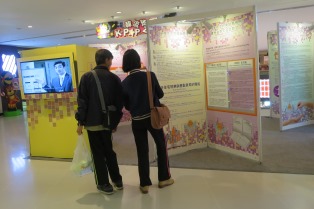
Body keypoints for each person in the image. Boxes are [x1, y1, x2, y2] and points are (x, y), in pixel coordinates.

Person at [121, 49, 174, 194]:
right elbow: (160, 94)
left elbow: (126, 105)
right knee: (161, 145)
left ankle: (144, 184)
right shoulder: (150, 76)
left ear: (125, 64)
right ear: (139, 61)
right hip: (153, 118)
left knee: (142, 151)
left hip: (137, 120)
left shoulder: (124, 83)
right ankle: (164, 178)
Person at [75, 49, 123, 195]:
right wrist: (114, 123)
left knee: (98, 153)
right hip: (107, 123)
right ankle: (117, 181)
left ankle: (104, 184)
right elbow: (119, 103)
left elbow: (82, 102)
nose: (111, 62)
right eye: (111, 59)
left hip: (92, 123)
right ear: (107, 60)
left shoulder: (87, 77)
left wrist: (80, 122)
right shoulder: (114, 78)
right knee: (109, 151)